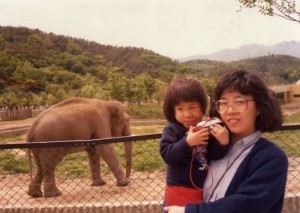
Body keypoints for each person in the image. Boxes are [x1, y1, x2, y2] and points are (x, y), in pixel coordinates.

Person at [164, 70, 289, 213]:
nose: (230, 110)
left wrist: (187, 211)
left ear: (259, 107)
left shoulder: (271, 158)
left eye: (239, 101)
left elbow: (246, 206)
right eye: (223, 103)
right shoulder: (210, 145)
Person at [160, 77, 230, 208]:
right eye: (180, 109)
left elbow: (214, 155)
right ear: (172, 110)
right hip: (179, 188)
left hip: (204, 187)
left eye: (192, 107)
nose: (187, 114)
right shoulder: (172, 129)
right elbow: (167, 156)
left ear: (202, 106)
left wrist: (223, 142)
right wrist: (187, 143)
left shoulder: (205, 127)